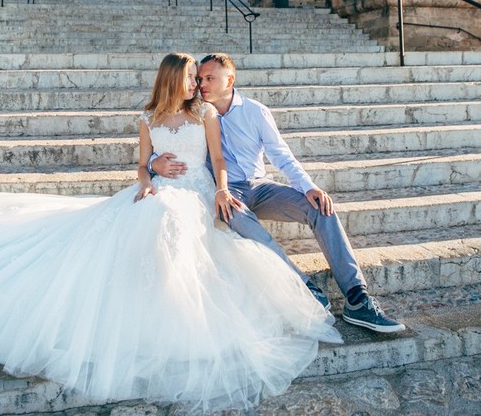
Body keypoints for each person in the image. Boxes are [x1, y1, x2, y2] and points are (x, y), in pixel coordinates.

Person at [0, 53, 340, 412]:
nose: (196, 85)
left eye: (199, 79)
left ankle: (172, 305)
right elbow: (141, 167)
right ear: (172, 81)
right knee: (146, 216)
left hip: (199, 191)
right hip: (162, 188)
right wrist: (150, 178)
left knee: (170, 223)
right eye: (189, 78)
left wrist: (222, 191)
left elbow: (219, 161)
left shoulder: (206, 116)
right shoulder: (147, 120)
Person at [152, 53, 405, 334]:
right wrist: (153, 163)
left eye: (209, 78)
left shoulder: (255, 111)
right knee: (237, 215)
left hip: (260, 186)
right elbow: (164, 140)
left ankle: (357, 298)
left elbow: (281, 155)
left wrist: (309, 186)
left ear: (230, 80)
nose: (202, 85)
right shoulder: (195, 112)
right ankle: (304, 289)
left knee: (321, 208)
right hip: (225, 191)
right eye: (199, 79)